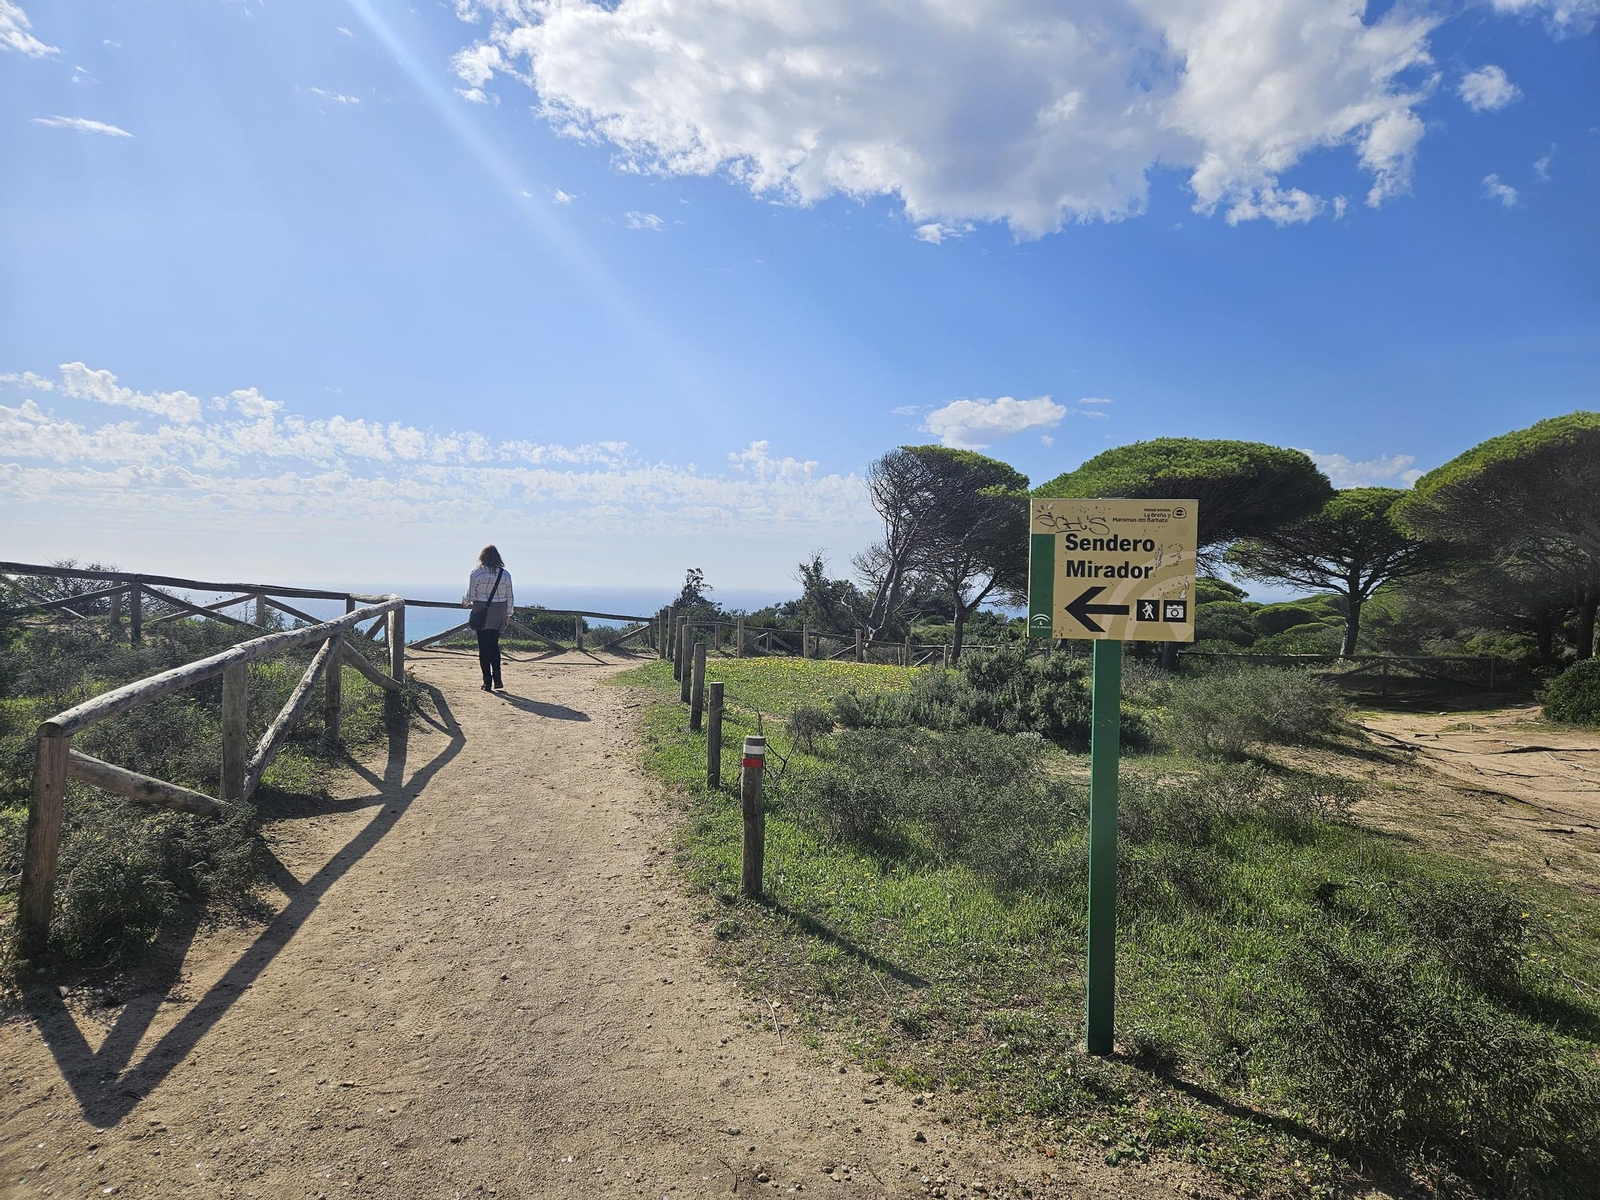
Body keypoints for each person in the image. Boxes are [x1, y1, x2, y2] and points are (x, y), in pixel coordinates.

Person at [463, 544, 514, 691]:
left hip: (481, 610)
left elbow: (470, 595)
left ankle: (487, 681)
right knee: (494, 645)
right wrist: (508, 614)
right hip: (499, 610)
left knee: (483, 647)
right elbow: (510, 597)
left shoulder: (476, 573)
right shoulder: (505, 575)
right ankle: (498, 678)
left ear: (482, 557)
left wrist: (465, 602)